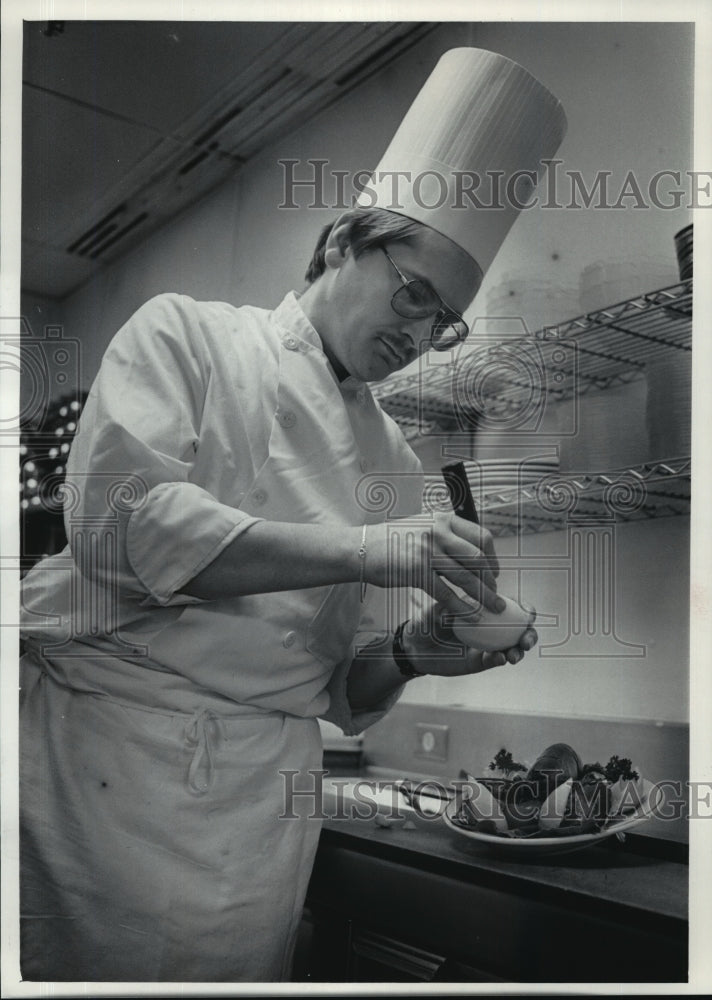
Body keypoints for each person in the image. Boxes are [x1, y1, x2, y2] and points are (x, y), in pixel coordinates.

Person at [18, 49, 566, 982]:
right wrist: (363, 550)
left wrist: (416, 650)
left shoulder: (391, 459)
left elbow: (344, 689)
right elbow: (121, 529)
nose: (419, 334)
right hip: (105, 784)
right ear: (348, 239)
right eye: (415, 293)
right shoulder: (185, 335)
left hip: (260, 821)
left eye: (444, 323)